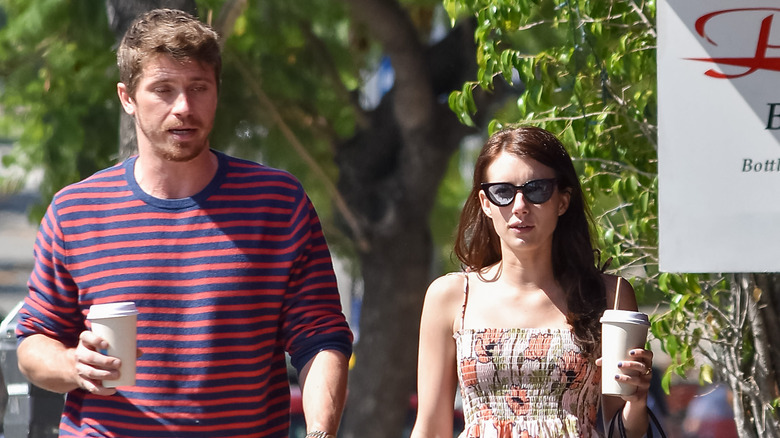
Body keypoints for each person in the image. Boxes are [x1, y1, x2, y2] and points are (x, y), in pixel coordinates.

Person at [15, 9, 351, 438]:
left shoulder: (278, 204)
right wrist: (71, 364)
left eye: (198, 88)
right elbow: (33, 342)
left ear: (217, 92)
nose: (184, 108)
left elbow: (320, 338)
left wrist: (321, 431)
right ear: (127, 97)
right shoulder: (76, 211)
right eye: (163, 90)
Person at [410, 126, 654, 438]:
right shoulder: (451, 296)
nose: (520, 206)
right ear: (485, 203)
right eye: (503, 192)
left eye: (537, 189)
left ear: (563, 201)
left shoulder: (609, 295)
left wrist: (637, 400)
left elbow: (623, 432)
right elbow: (430, 428)